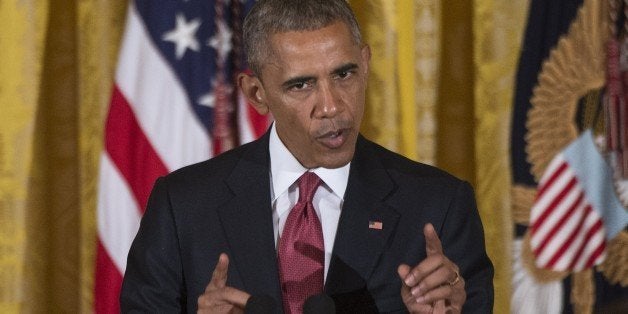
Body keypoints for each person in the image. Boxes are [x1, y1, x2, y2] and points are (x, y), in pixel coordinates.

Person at [120, 0, 494, 313]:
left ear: (365, 64)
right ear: (255, 93)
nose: (332, 107)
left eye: (344, 74)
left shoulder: (439, 205)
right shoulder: (183, 205)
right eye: (301, 85)